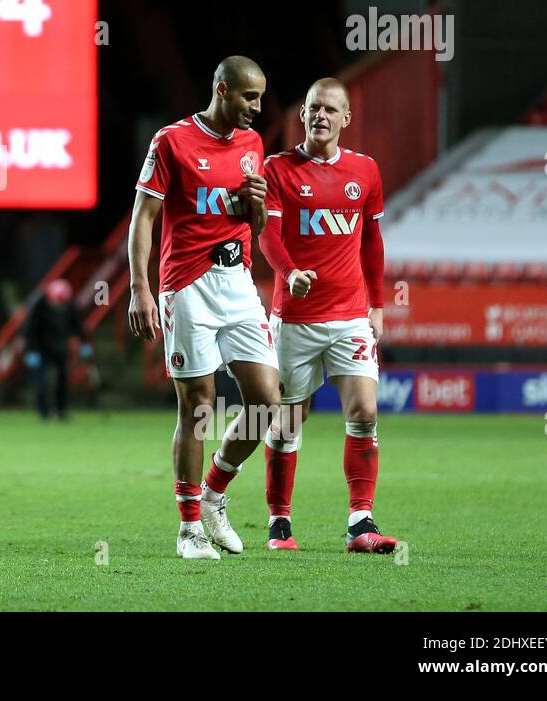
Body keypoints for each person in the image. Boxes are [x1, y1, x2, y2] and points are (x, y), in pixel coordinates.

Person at [127, 55, 282, 560]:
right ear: (221, 89)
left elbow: (252, 225)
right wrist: (139, 288)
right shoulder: (171, 141)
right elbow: (144, 217)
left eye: (259, 98)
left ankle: (215, 495)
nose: (257, 108)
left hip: (236, 281)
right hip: (187, 285)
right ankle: (189, 528)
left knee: (267, 401)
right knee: (198, 406)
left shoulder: (253, 144)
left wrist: (254, 206)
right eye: (248, 97)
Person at [257, 77, 399, 553]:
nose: (320, 115)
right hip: (295, 319)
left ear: (345, 119)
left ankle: (361, 524)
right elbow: (267, 236)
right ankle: (280, 523)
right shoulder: (277, 169)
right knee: (288, 422)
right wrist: (289, 271)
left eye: (330, 109)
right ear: (303, 114)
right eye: (313, 107)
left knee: (365, 410)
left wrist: (377, 305)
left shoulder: (366, 171)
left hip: (351, 315)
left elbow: (372, 244)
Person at [20, 278, 92, 420]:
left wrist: (84, 343)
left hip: (59, 346)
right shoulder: (38, 306)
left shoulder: (69, 306)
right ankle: (44, 413)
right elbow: (30, 330)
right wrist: (31, 351)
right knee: (41, 382)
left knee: (63, 379)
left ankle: (61, 410)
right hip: (40, 348)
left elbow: (76, 325)